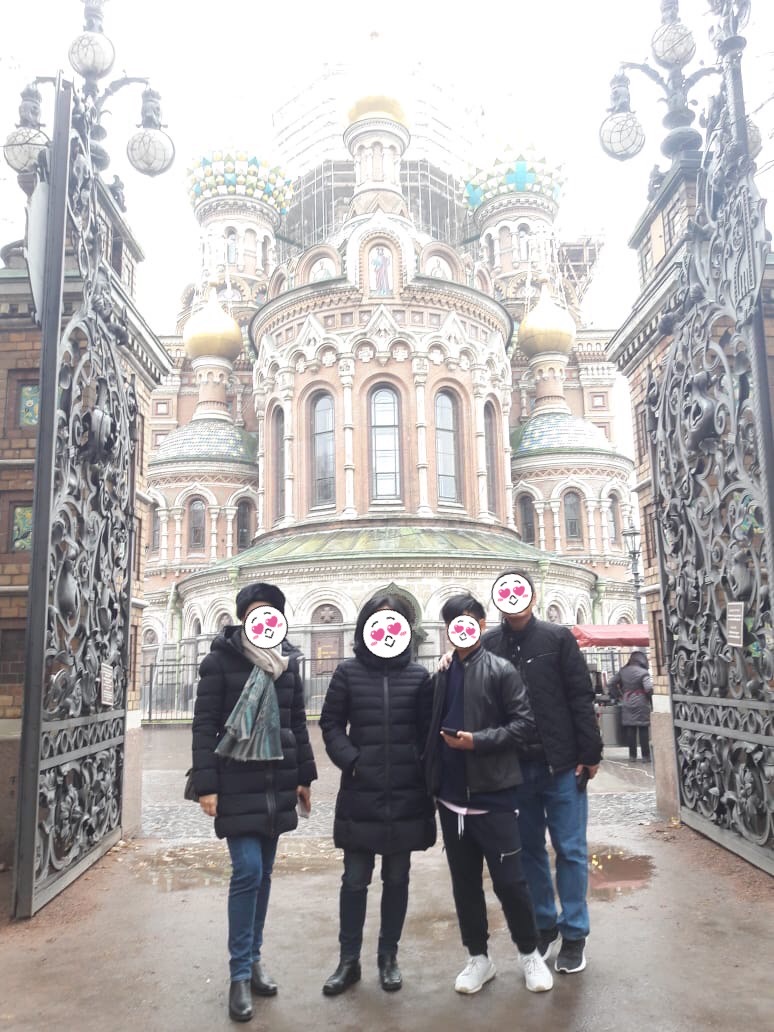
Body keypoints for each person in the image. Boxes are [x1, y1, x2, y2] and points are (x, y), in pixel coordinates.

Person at [191, 582, 317, 1022]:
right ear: (243, 617)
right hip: (236, 781)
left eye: (271, 613)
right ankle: (239, 974)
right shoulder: (219, 662)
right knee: (247, 871)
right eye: (255, 613)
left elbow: (296, 723)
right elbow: (204, 725)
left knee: (263, 875)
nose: (263, 621)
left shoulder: (287, 665)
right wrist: (206, 785)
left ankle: (255, 959)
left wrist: (304, 777)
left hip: (277, 781)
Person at [425, 594, 553, 996]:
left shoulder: (501, 670)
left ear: (481, 624)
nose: (461, 629)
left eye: (468, 620)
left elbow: (524, 725)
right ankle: (478, 958)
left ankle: (529, 953)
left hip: (494, 795)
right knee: (464, 884)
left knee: (511, 883)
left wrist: (477, 741)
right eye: (453, 622)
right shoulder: (441, 674)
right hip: (451, 800)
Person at [481, 569, 603, 976]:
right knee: (528, 851)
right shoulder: (489, 645)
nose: (514, 599)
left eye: (520, 592)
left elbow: (580, 695)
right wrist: (449, 661)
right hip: (515, 769)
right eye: (506, 593)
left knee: (570, 850)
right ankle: (544, 924)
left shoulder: (556, 638)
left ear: (532, 598)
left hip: (561, 764)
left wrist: (590, 752)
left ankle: (575, 933)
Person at [319, 594, 436, 996]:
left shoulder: (418, 677)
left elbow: (427, 731)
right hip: (361, 792)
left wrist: (417, 765)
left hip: (405, 794)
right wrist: (351, 760)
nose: (386, 630)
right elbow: (331, 723)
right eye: (378, 621)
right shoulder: (348, 673)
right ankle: (348, 961)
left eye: (394, 622)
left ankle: (388, 957)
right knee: (354, 880)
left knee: (397, 878)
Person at [608, 651, 653, 761]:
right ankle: (645, 756)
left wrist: (619, 695)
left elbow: (610, 683)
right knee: (643, 728)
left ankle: (632, 756)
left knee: (630, 728)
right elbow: (648, 688)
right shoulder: (644, 672)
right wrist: (650, 699)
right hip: (641, 702)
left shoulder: (623, 671)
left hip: (627, 701)